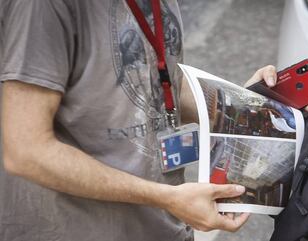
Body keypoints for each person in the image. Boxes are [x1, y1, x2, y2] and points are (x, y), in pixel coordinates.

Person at [0, 1, 285, 240]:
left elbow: (160, 77)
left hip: (162, 226)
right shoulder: (40, 7)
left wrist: (249, 107)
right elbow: (27, 151)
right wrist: (166, 198)